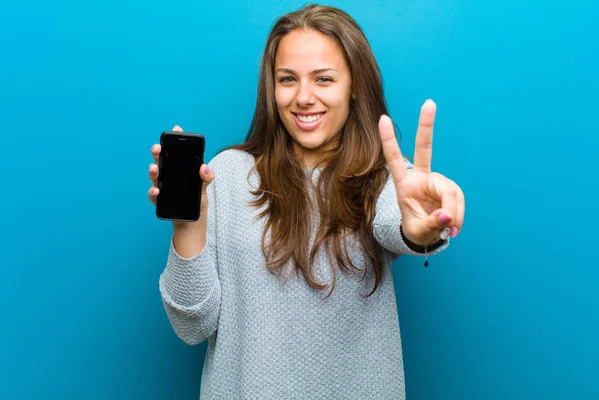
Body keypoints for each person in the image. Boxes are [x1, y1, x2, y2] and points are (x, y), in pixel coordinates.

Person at [148, 4, 465, 399]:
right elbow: (192, 327)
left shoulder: (383, 180)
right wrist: (189, 226)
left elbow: (397, 223)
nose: (303, 97)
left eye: (324, 79)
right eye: (287, 79)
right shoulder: (226, 174)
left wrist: (418, 229)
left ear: (354, 87)